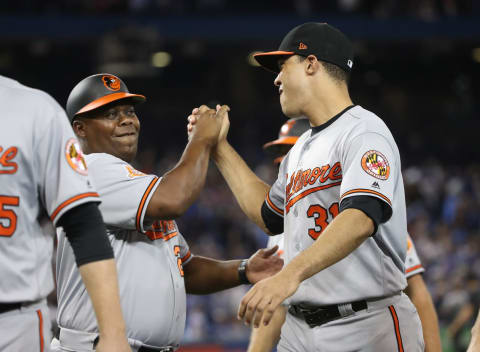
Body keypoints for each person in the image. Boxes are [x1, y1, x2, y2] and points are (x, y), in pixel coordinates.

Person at [189, 22, 424, 351]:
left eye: (283, 66)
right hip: (301, 328)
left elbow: (360, 217)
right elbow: (268, 215)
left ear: (311, 63)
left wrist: (288, 276)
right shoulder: (300, 150)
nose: (276, 78)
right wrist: (219, 149)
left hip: (367, 323)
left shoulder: (364, 131)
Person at [54, 73, 283, 352]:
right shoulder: (89, 171)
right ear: (80, 129)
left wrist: (245, 269)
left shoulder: (134, 184)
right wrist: (201, 140)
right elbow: (174, 199)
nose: (126, 119)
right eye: (110, 114)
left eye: (129, 111)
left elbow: (185, 269)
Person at [246, 118, 441, 352]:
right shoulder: (283, 226)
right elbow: (276, 308)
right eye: (281, 152)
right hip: (304, 331)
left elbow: (416, 291)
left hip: (366, 328)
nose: (285, 158)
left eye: (292, 148)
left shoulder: (359, 214)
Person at [0, 75, 130, 352]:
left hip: (12, 322)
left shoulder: (33, 110)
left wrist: (113, 332)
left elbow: (82, 224)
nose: (127, 120)